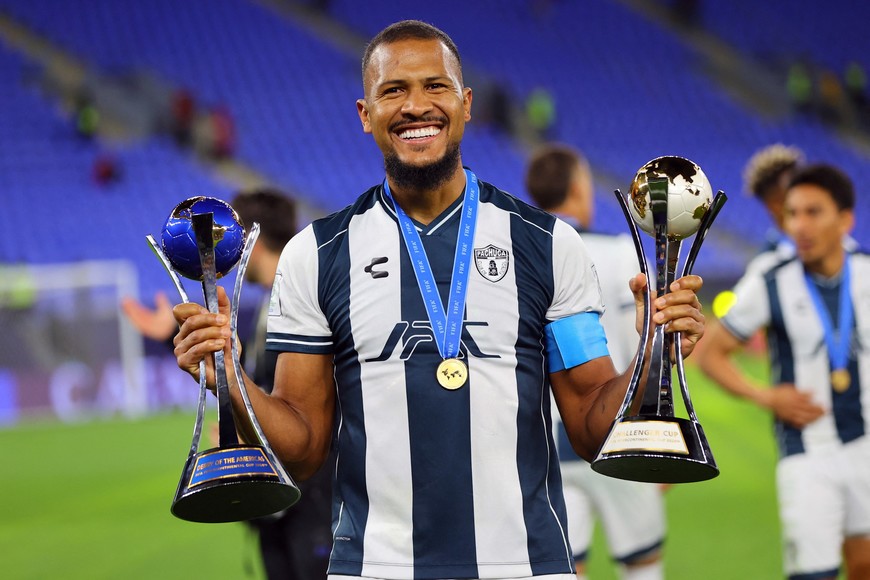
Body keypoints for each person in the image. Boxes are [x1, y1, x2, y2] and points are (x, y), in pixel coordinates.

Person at [171, 20, 706, 580]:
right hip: (376, 568)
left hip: (528, 567)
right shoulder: (317, 254)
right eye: (393, 90)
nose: (415, 106)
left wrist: (652, 351)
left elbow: (592, 426)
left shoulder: (547, 245)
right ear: (365, 114)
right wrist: (231, 377)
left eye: (435, 86)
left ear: (466, 103)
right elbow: (302, 449)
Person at [123, 189, 332, 579]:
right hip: (281, 500)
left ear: (249, 242)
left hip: (312, 500)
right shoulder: (273, 302)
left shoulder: (308, 299)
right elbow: (255, 373)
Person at [697, 164, 870, 579]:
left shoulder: (866, 271)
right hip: (807, 453)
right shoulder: (771, 280)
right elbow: (711, 355)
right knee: (814, 573)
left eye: (813, 212)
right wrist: (765, 395)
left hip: (865, 447)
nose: (799, 226)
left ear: (845, 220)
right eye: (792, 214)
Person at [525, 144, 665, 580]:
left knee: (564, 567)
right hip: (621, 434)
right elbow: (651, 343)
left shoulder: (524, 254)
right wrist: (660, 433)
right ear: (579, 189)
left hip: (546, 446)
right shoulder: (622, 252)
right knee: (642, 562)